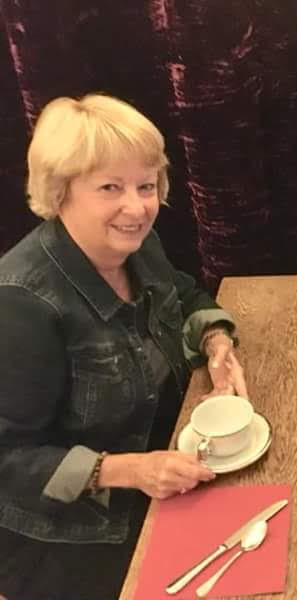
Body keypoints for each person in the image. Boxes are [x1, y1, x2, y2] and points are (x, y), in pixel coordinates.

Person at [0, 94, 249, 599]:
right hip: (75, 532)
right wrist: (129, 470)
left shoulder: (136, 244)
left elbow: (184, 293)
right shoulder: (22, 304)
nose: (136, 207)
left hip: (168, 468)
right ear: (60, 190)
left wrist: (216, 340)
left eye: (146, 185)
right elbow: (9, 458)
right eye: (110, 187)